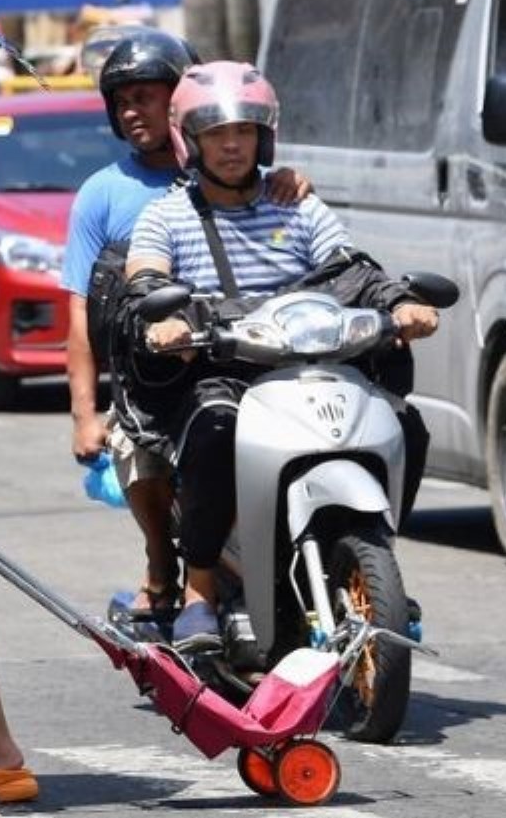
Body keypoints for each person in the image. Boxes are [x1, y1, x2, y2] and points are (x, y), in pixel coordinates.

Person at [122, 61, 440, 643]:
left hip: (314, 366)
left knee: (404, 425)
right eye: (217, 133)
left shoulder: (297, 203)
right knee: (216, 429)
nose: (232, 145)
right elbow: (144, 278)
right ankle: (200, 589)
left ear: (264, 136)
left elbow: (352, 270)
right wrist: (164, 319)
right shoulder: (165, 216)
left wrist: (400, 305)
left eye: (244, 131)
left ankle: (375, 559)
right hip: (224, 372)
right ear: (190, 141)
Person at [62, 32, 310, 625]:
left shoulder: (246, 172)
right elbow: (79, 309)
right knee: (138, 452)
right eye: (122, 101)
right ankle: (161, 561)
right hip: (152, 374)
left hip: (253, 359)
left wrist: (294, 185)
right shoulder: (101, 194)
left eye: (146, 98)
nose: (133, 112)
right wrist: (84, 413)